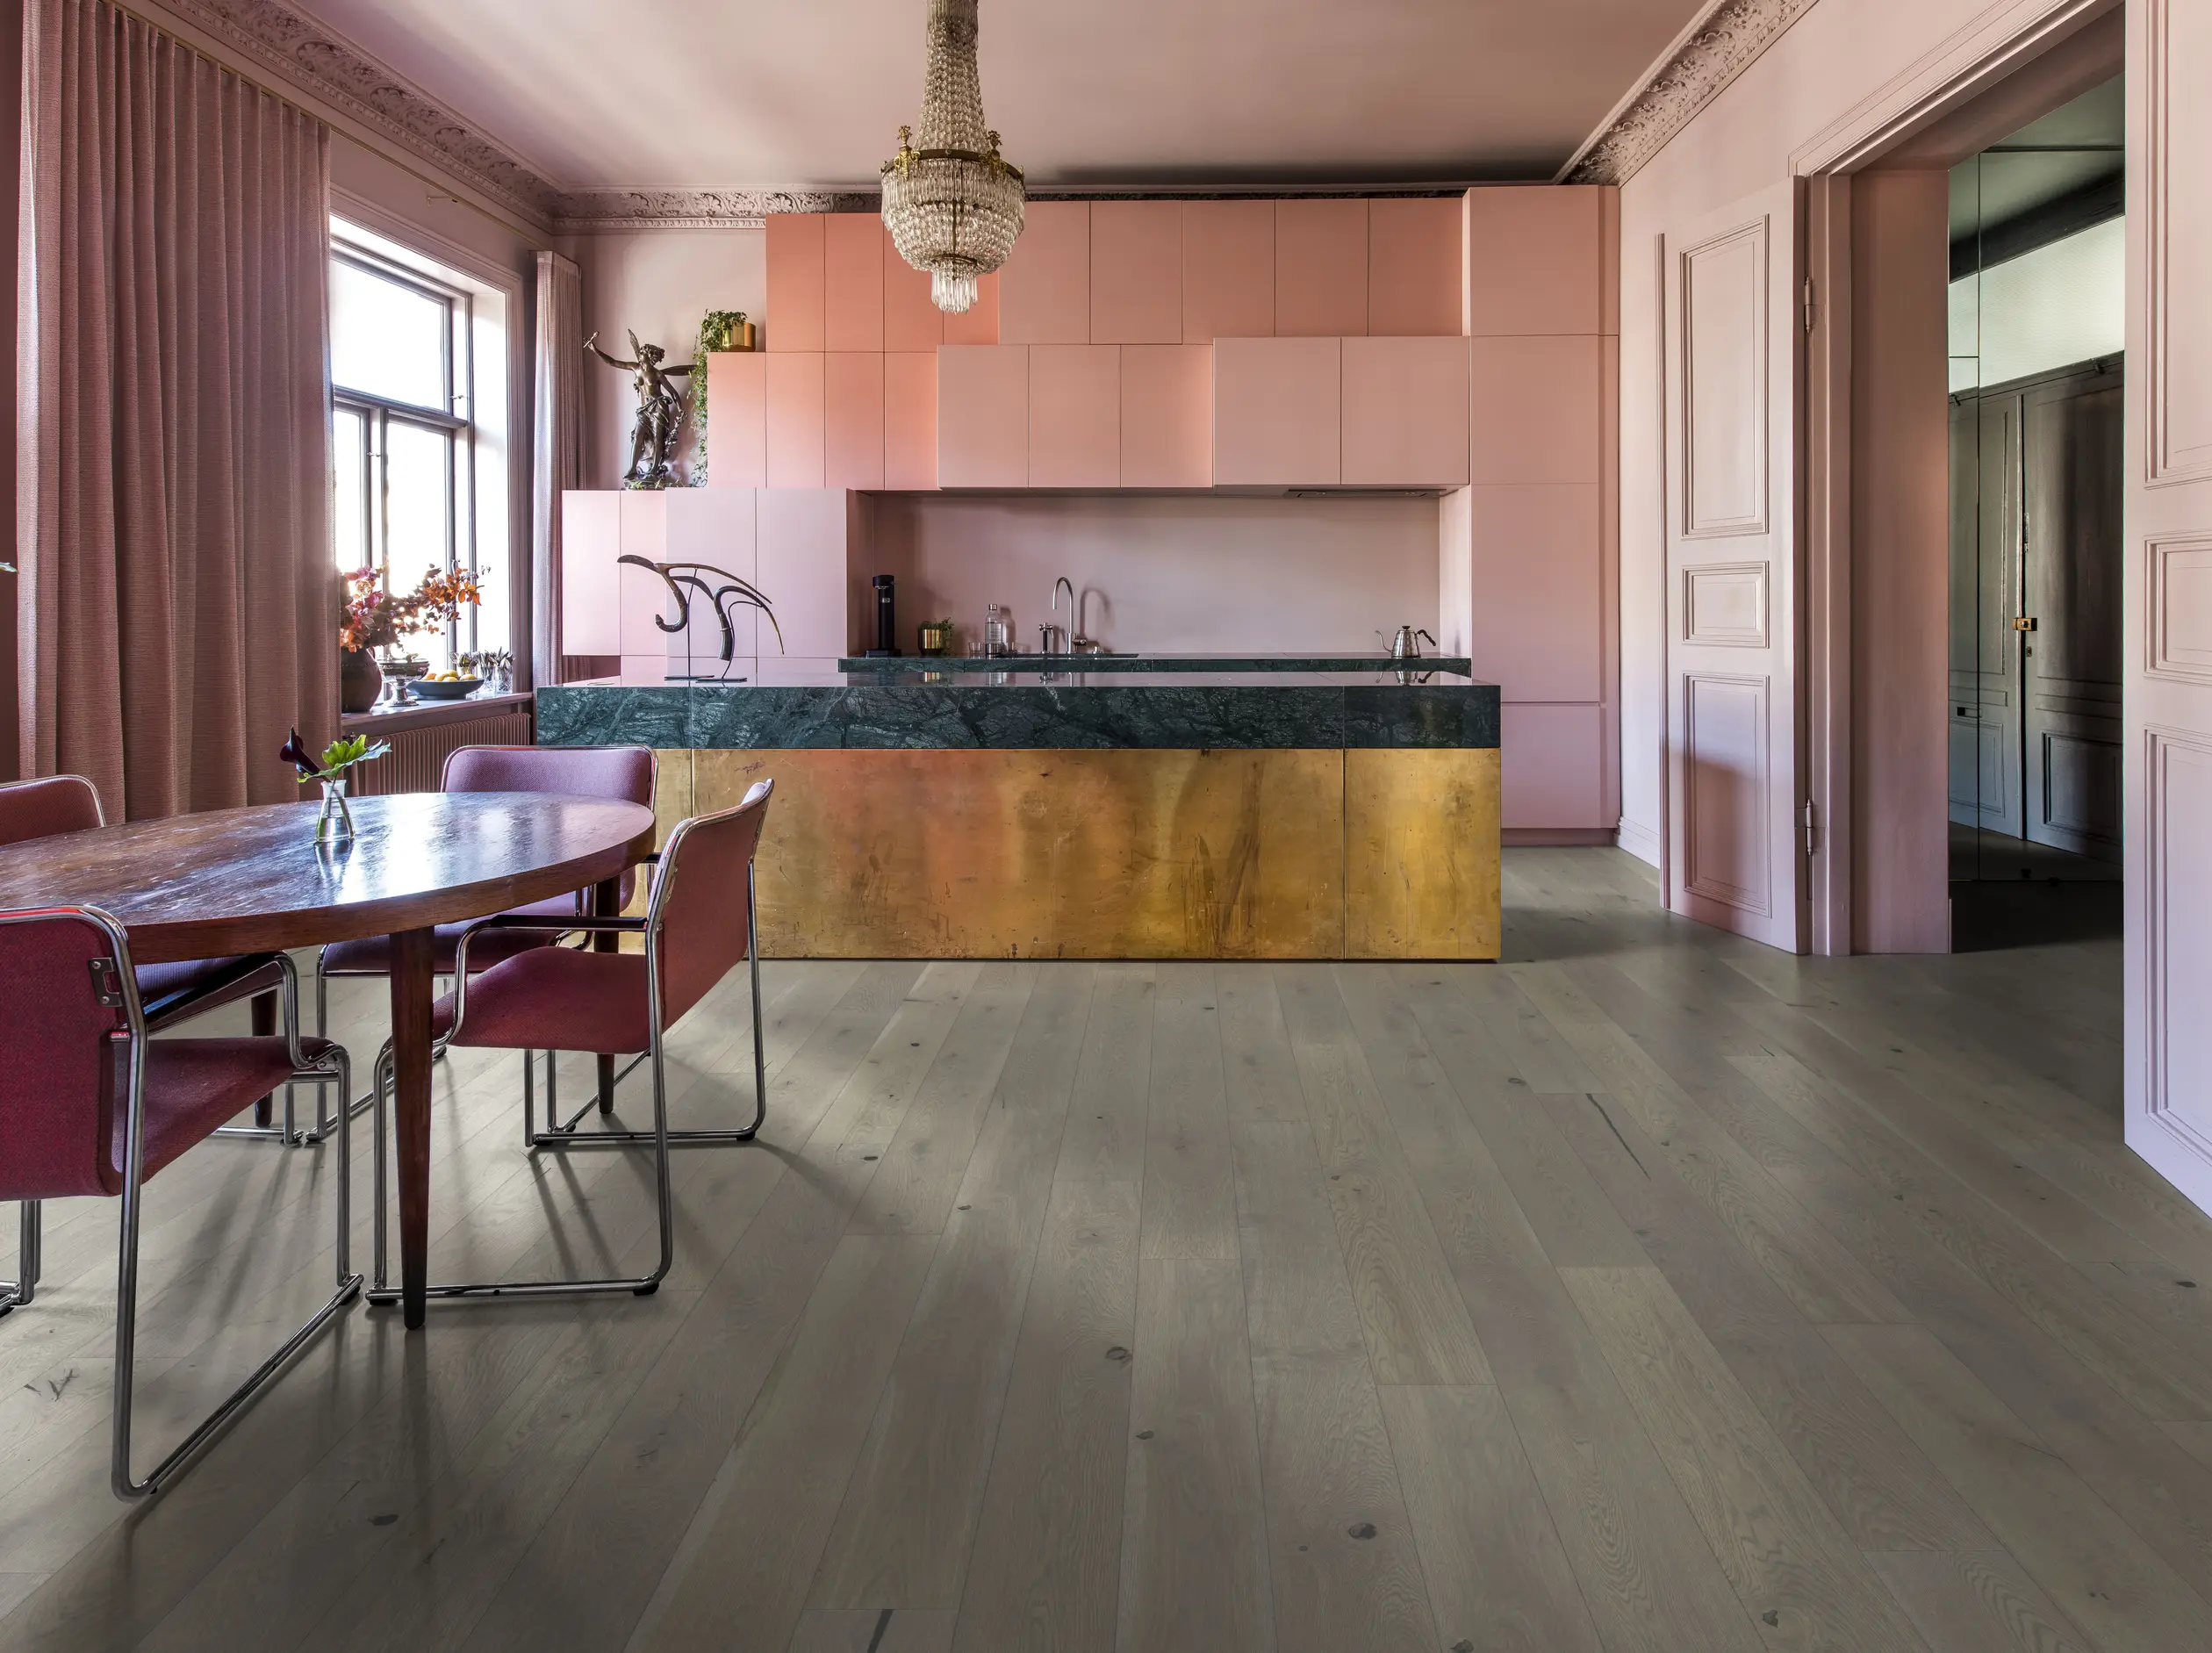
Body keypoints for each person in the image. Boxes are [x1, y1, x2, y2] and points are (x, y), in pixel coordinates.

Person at [585, 328, 694, 487]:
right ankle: (632, 469)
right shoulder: (635, 368)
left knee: (658, 439)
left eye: (643, 352)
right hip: (644, 410)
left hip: (658, 408)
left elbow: (673, 392)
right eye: (641, 351)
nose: (640, 353)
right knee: (638, 436)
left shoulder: (657, 375)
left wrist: (680, 408)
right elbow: (613, 362)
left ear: (649, 357)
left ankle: (655, 469)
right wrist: (595, 350)